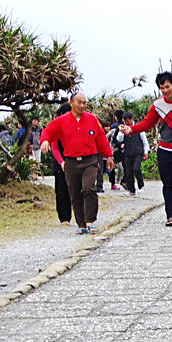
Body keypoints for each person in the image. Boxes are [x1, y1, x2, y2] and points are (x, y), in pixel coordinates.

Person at [122, 72, 172, 226]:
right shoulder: (158, 104)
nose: (165, 91)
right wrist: (130, 129)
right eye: (162, 88)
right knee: (167, 184)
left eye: (167, 87)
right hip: (165, 149)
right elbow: (147, 123)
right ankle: (171, 216)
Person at [39, 92, 115, 235]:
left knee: (88, 188)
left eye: (84, 102)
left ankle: (90, 221)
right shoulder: (62, 121)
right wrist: (45, 141)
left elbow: (101, 139)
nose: (82, 105)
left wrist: (109, 156)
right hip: (71, 162)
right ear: (71, 103)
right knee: (75, 193)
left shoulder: (92, 119)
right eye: (79, 102)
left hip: (90, 160)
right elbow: (48, 131)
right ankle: (81, 224)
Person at [115, 111, 148, 195]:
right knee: (128, 172)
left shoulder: (138, 128)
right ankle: (131, 190)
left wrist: (146, 151)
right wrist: (121, 131)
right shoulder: (124, 128)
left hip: (138, 152)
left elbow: (144, 141)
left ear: (131, 119)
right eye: (124, 121)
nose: (126, 123)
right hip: (128, 152)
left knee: (136, 169)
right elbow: (119, 139)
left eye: (127, 121)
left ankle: (141, 186)